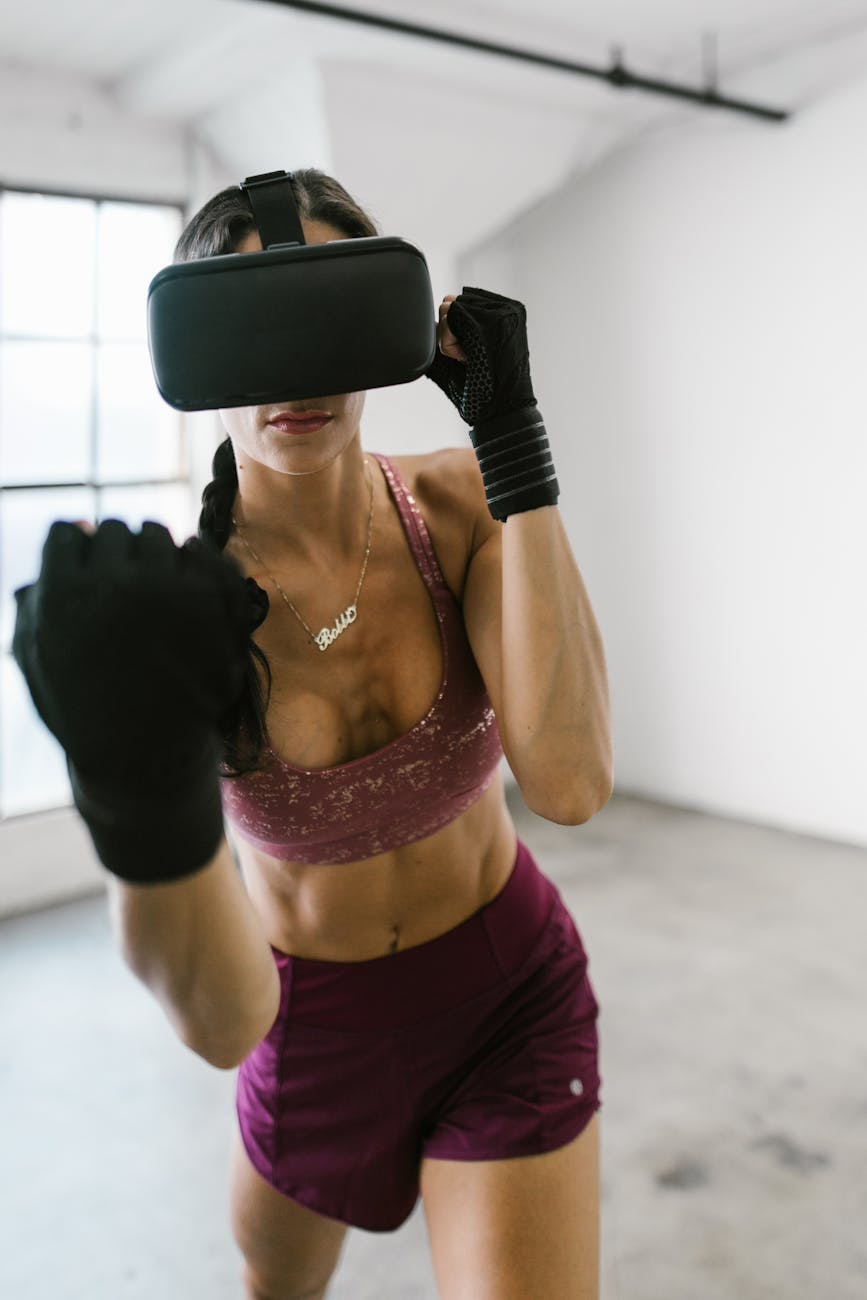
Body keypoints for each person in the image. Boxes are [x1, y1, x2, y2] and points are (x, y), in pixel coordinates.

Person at [13, 169, 612, 1300]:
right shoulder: (189, 608)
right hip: (312, 1027)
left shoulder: (460, 511)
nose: (294, 366)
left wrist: (515, 446)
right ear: (199, 356)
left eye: (321, 313)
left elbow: (571, 782)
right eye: (250, 322)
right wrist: (128, 791)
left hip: (509, 992)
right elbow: (223, 1016)